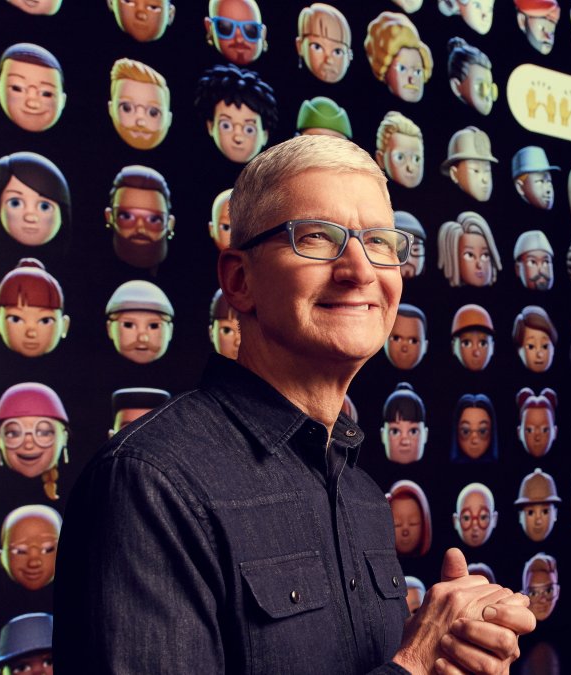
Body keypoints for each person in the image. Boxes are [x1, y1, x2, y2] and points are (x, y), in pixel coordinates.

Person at [55, 136, 534, 673]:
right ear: (239, 281)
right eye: (317, 237)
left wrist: (452, 654)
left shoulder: (361, 495)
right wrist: (417, 663)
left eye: (379, 242)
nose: (359, 270)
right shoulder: (150, 483)